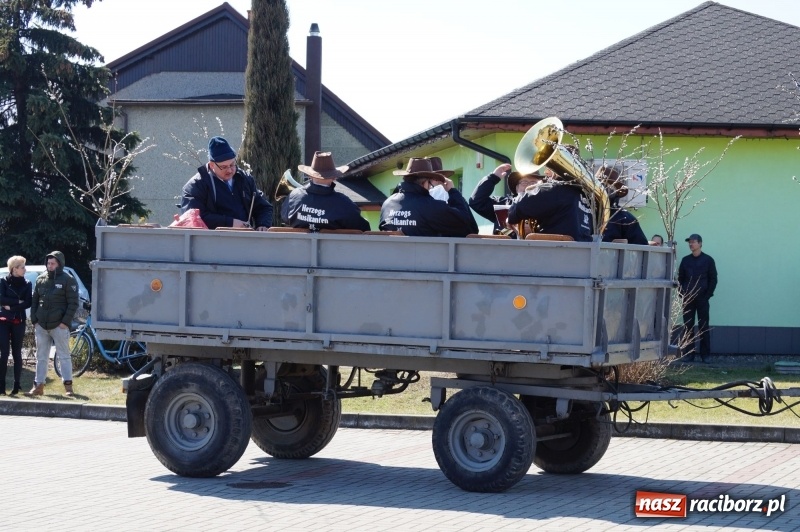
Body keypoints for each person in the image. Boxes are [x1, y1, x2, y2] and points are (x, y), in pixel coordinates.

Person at [180, 136, 273, 230]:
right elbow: (194, 218)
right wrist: (230, 223)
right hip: (212, 240)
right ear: (212, 165)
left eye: (232, 164)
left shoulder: (244, 179)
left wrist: (262, 224)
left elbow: (263, 206)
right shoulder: (196, 186)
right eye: (224, 167)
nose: (229, 170)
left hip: (245, 238)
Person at [379, 157, 477, 237]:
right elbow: (463, 221)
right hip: (423, 259)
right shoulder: (430, 206)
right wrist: (453, 191)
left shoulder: (387, 203)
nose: (431, 187)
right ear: (424, 183)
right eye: (430, 183)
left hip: (390, 258)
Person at [29, 251, 79, 396]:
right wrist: (34, 321)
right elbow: (34, 301)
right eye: (48, 263)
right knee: (41, 357)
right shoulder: (41, 279)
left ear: (59, 264)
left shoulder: (68, 279)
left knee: (64, 356)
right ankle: (38, 386)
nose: (49, 266)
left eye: (52, 263)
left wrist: (65, 322)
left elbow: (73, 303)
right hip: (41, 325)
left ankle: (68, 387)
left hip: (59, 325)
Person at [282, 151, 370, 231]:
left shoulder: (294, 196)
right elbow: (364, 228)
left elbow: (284, 217)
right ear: (334, 177)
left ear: (310, 175)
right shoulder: (344, 203)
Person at [506, 174, 593, 242]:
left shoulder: (556, 189)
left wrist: (511, 213)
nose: (546, 172)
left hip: (551, 254)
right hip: (581, 253)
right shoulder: (588, 195)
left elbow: (519, 207)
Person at [468, 162, 541, 235]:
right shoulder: (502, 204)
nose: (528, 186)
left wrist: (536, 229)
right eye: (524, 182)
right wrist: (493, 177)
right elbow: (476, 201)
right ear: (516, 187)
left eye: (533, 183)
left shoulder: (547, 205)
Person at [678, 234, 718, 363]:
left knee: (703, 326)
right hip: (688, 299)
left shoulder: (708, 260)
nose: (691, 244)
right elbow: (680, 279)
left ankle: (705, 355)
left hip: (702, 299)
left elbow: (713, 279)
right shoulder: (685, 260)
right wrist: (682, 293)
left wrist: (707, 295)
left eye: (693, 242)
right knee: (688, 326)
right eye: (689, 242)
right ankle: (689, 354)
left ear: (700, 243)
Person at [0, 256, 32, 395]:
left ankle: (16, 385)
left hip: (18, 320)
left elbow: (27, 303)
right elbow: (1, 299)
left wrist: (11, 307)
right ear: (14, 269)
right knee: (4, 353)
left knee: (17, 353)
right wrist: (17, 302)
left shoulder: (27, 283)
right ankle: (1, 386)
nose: (25, 269)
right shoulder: (3, 281)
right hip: (3, 321)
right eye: (22, 267)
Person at [595, 166, 648, 245]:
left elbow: (640, 248)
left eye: (606, 186)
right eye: (599, 186)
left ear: (616, 191)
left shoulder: (625, 219)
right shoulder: (583, 211)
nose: (602, 190)